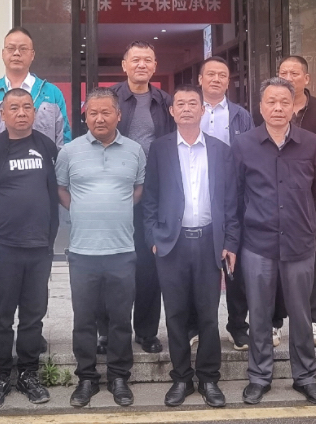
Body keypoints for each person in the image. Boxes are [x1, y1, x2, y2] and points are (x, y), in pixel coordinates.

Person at [0, 26, 70, 354]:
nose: (16, 53)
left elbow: (63, 142)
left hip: (39, 193)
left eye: (23, 48)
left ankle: (31, 331)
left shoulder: (51, 94)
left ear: (32, 54)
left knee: (35, 278)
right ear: (2, 53)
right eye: (11, 47)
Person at [233, 77, 316, 406]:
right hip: (257, 244)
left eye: (284, 102)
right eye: (271, 102)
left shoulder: (311, 143)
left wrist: (300, 218)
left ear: (293, 107)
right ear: (260, 108)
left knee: (301, 314)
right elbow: (235, 194)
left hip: (299, 243)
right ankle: (259, 377)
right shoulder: (244, 144)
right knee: (259, 313)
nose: (277, 108)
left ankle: (306, 377)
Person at [143, 84, 240, 408]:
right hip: (172, 244)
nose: (186, 109)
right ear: (172, 111)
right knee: (175, 314)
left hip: (209, 242)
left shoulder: (220, 150)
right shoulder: (160, 149)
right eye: (180, 104)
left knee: (208, 315)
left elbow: (231, 201)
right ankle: (182, 378)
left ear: (202, 110)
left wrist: (230, 241)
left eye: (192, 104)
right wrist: (154, 238)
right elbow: (150, 199)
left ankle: (209, 378)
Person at [57, 87, 145, 408]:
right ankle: (86, 378)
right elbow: (62, 190)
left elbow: (138, 189)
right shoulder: (69, 152)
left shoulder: (135, 151)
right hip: (83, 252)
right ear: (85, 116)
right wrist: (84, 209)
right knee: (83, 319)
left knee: (121, 318)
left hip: (122, 250)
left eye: (106, 112)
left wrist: (113, 208)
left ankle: (119, 377)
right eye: (92, 113)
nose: (99, 118)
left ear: (118, 115)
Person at [0, 89, 58, 408]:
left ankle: (28, 374)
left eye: (27, 107)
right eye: (14, 108)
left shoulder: (46, 147)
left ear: (34, 112)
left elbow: (53, 191)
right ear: (3, 114)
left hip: (38, 247)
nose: (21, 113)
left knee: (33, 316)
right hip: (1, 246)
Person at [108, 41, 175, 355]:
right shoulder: (109, 98)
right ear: (124, 65)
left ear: (155, 66)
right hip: (117, 192)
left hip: (154, 194)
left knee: (149, 265)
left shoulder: (165, 101)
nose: (141, 65)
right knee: (114, 264)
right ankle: (110, 330)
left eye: (147, 60)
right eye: (135, 59)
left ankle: (146, 332)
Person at [274, 56, 316, 349]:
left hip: (314, 203)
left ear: (307, 78)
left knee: (313, 261)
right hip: (275, 202)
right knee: (275, 260)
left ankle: (312, 318)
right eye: (283, 72)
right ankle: (275, 321)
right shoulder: (269, 108)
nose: (288, 77)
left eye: (294, 73)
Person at [198, 56, 254, 352]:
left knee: (235, 263)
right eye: (211, 74)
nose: (216, 79)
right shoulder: (189, 108)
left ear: (228, 81)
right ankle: (198, 326)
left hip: (233, 194)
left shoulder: (240, 115)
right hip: (196, 192)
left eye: (222, 75)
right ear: (200, 79)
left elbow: (252, 154)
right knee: (199, 262)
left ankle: (237, 326)